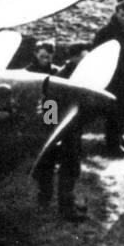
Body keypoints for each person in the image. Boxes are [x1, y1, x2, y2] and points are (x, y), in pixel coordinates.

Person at [33, 41, 89, 222]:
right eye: (83, 57)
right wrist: (53, 132)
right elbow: (49, 107)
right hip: (63, 132)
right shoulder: (60, 78)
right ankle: (64, 208)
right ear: (73, 58)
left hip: (71, 129)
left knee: (70, 169)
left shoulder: (75, 74)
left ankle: (62, 204)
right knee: (67, 168)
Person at [92, 0, 124, 157]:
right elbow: (97, 54)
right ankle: (112, 145)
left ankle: (119, 137)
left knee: (123, 110)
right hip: (113, 79)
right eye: (122, 15)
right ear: (116, 13)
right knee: (114, 111)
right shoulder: (106, 33)